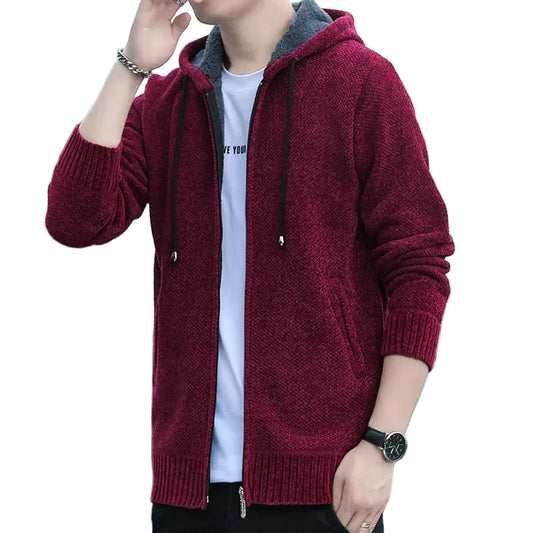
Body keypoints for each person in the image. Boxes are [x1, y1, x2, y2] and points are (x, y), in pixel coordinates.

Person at [45, 0, 455, 531]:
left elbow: (418, 265)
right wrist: (132, 67)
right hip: (188, 496)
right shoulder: (168, 104)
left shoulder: (360, 82)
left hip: (327, 488)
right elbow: (75, 221)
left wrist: (383, 442)